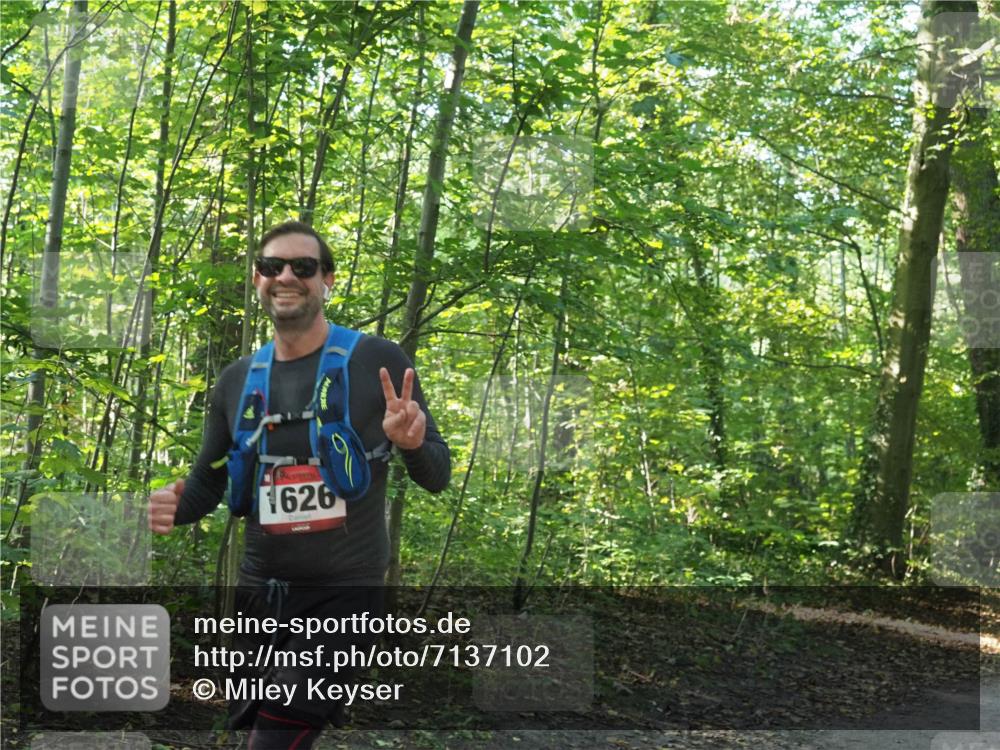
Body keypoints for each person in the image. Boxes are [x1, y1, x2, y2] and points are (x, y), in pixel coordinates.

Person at [148, 220, 451, 749]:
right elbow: (207, 482)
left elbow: (437, 474)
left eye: (303, 267)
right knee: (263, 735)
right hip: (259, 597)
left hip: (345, 595)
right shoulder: (236, 380)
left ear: (327, 279)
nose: (285, 276)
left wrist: (410, 443)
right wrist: (173, 507)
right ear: (256, 279)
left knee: (275, 735)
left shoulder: (377, 362)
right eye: (272, 266)